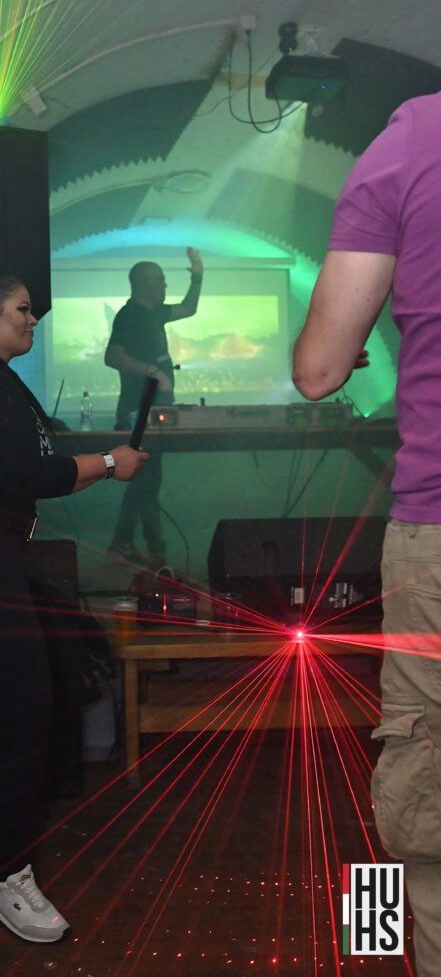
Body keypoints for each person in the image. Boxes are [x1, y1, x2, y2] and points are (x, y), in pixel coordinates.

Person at [0, 271, 147, 944]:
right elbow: (28, 474)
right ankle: (7, 877)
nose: (32, 320)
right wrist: (108, 463)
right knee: (26, 708)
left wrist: (93, 455)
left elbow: (21, 459)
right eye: (21, 309)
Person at [292, 92, 441, 976]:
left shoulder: (415, 137)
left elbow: (316, 371)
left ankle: (390, 944)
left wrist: (347, 347)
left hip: (438, 528)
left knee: (426, 787)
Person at [104, 247, 203, 565]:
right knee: (144, 480)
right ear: (145, 283)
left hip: (154, 411)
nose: (165, 285)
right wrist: (153, 372)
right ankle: (141, 544)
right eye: (160, 280)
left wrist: (198, 277)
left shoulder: (154, 314)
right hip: (137, 411)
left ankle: (139, 544)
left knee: (148, 480)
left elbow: (188, 308)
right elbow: (112, 356)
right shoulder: (129, 315)